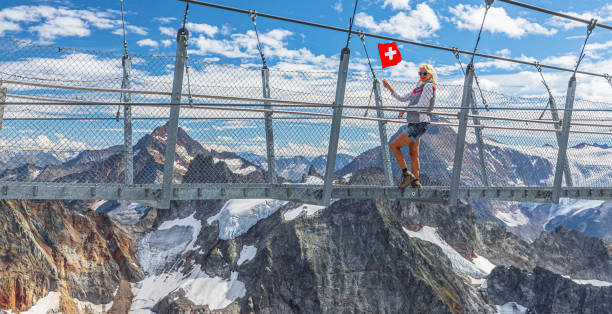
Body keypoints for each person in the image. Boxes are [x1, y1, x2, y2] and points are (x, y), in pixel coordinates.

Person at [382, 64, 437, 189]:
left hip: (419, 123)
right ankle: (416, 182)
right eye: (420, 73)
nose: (422, 76)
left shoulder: (429, 86)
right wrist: (389, 88)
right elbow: (403, 98)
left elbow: (422, 106)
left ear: (430, 75)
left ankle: (407, 174)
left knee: (394, 145)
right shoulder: (419, 87)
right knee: (413, 154)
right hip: (415, 122)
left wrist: (406, 109)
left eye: (425, 74)